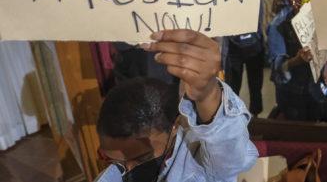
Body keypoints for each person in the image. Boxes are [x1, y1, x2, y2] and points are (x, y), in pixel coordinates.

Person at [95, 29, 258, 182]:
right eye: (111, 160)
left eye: (142, 159)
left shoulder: (200, 164)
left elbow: (230, 156)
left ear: (175, 128)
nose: (128, 170)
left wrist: (208, 92)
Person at [267, 0, 327, 121]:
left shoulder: (314, 16)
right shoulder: (277, 26)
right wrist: (297, 60)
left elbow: (320, 49)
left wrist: (325, 71)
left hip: (316, 89)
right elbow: (277, 69)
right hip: (293, 96)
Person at [222, 6, 265, 117]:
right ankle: (232, 115)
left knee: (255, 84)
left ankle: (255, 116)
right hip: (233, 46)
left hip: (254, 45)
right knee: (232, 86)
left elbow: (259, 17)